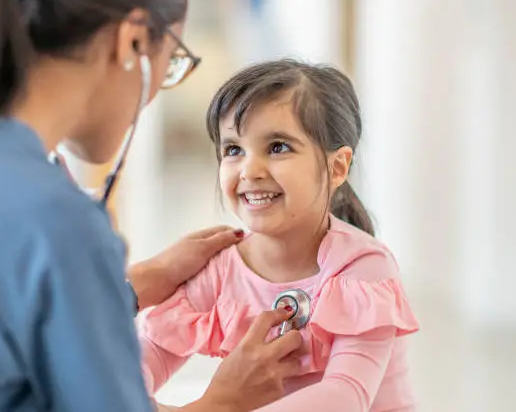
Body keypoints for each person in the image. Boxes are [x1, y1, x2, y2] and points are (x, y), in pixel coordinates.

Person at [0, 0, 304, 411]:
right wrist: (223, 402)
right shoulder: (53, 216)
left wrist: (126, 287)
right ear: (132, 40)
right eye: (171, 64)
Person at [139, 60, 421, 411]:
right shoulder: (219, 269)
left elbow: (344, 397)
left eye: (277, 147)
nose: (249, 170)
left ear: (336, 167)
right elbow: (127, 372)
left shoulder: (363, 267)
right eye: (233, 150)